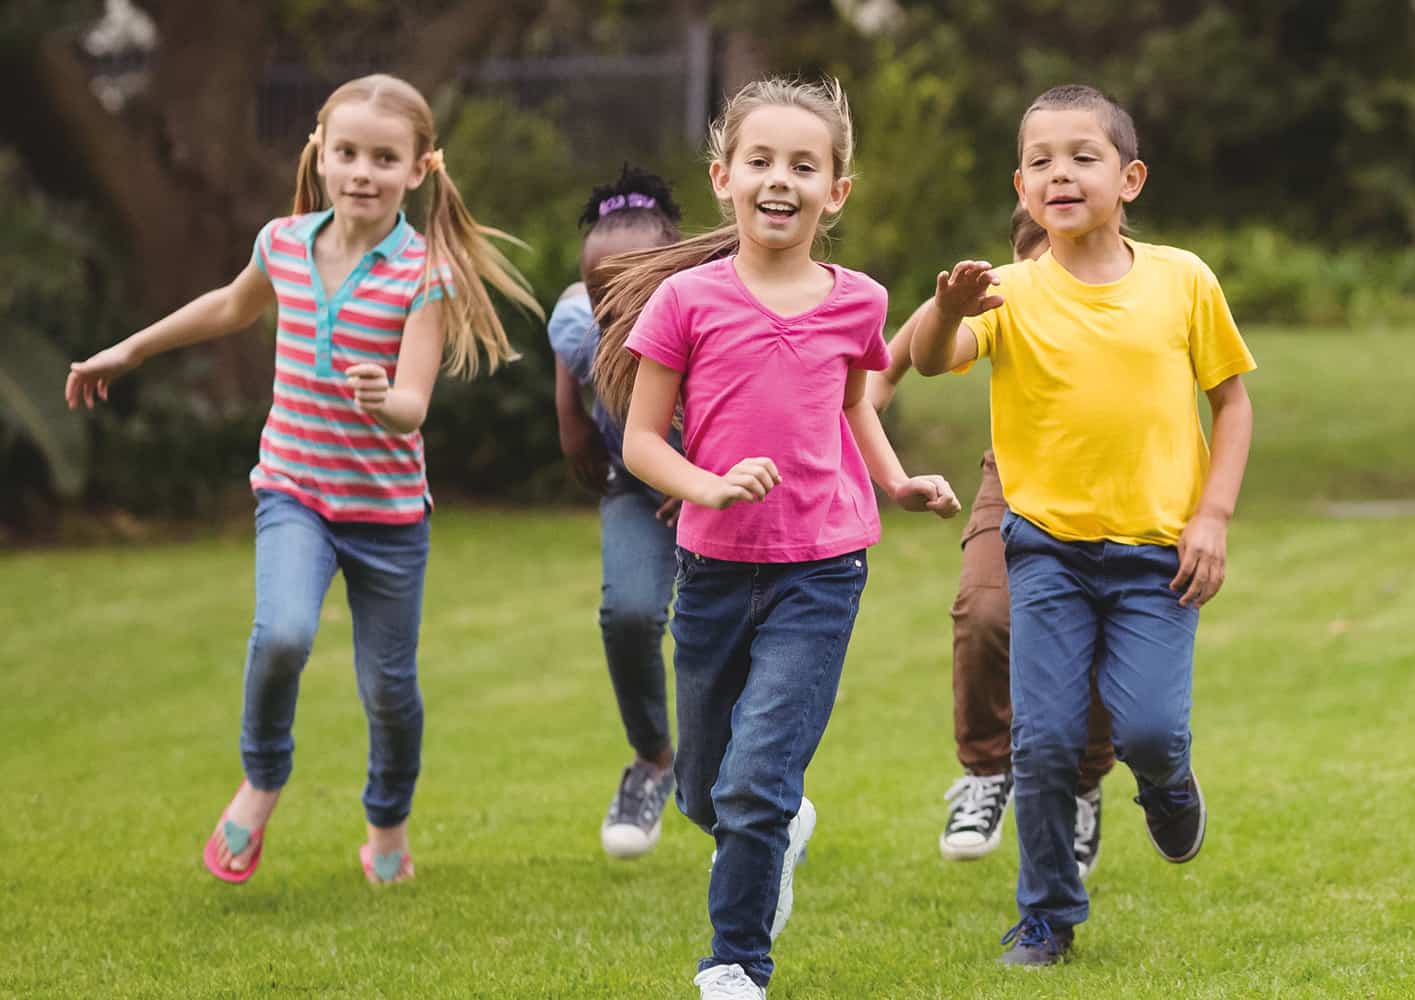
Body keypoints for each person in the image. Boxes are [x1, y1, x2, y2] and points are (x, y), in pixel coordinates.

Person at [64, 73, 539, 887]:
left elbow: (414, 405)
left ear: (420, 170)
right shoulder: (282, 242)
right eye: (348, 152)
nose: (363, 171)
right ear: (319, 152)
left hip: (387, 515)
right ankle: (262, 781)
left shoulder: (423, 271)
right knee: (281, 635)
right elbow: (227, 307)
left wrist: (382, 397)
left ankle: (386, 826)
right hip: (294, 490)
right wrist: (130, 350)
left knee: (389, 690)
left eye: (384, 158)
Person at [591, 77, 960, 999]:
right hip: (713, 572)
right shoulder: (683, 301)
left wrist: (896, 479)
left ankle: (735, 966)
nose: (779, 180)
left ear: (836, 190)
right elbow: (641, 443)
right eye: (761, 161)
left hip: (821, 571)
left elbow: (851, 407)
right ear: (724, 177)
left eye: (804, 165)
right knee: (706, 793)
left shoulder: (858, 302)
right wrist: (709, 484)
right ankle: (778, 829)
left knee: (754, 783)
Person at [911, 83, 1256, 965]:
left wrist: (1213, 515)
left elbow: (1233, 402)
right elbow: (926, 357)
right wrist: (951, 305)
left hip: (1157, 557)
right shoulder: (1010, 293)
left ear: (1130, 177)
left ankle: (1169, 784)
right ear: (1021, 190)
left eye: (1082, 156)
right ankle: (1047, 919)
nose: (1059, 174)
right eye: (1040, 162)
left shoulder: (1184, 280)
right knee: (1047, 739)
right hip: (1046, 553)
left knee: (1145, 733)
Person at [869, 205, 1116, 875]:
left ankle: (1085, 783)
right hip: (1014, 481)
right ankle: (984, 771)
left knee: (1097, 640)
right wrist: (849, 451)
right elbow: (887, 369)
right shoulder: (990, 295)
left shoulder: (1135, 292)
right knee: (984, 612)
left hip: (1115, 494)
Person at [547, 164, 685, 858]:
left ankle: (755, 800)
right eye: (605, 297)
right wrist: (571, 418)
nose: (615, 314)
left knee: (724, 641)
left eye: (634, 295)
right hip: (635, 488)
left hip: (722, 490)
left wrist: (691, 480)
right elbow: (568, 336)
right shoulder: (581, 322)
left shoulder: (710, 323)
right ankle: (653, 760)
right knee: (629, 613)